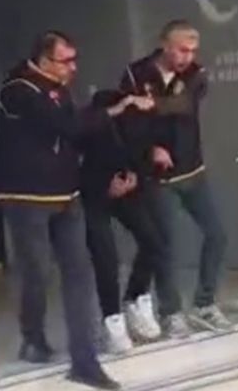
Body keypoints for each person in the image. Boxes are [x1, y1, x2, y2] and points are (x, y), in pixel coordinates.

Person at [0, 31, 151, 390]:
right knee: (36, 271)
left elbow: (76, 134)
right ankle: (33, 336)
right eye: (66, 61)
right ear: (43, 60)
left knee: (80, 273)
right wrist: (116, 109)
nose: (73, 68)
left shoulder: (59, 88)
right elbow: (65, 125)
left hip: (66, 192)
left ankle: (84, 360)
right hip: (26, 195)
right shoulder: (18, 90)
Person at [120, 20, 230, 334]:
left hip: (192, 169)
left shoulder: (196, 73)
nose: (188, 57)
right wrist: (150, 148)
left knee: (217, 235)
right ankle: (170, 313)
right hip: (158, 178)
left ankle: (205, 303)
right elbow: (128, 121)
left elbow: (184, 104)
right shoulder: (136, 74)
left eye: (193, 50)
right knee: (165, 244)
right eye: (182, 50)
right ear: (165, 45)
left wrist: (149, 104)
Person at [79, 90, 174, 354]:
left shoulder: (138, 121)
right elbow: (77, 166)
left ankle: (135, 297)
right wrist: (104, 186)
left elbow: (139, 154)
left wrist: (134, 176)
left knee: (154, 241)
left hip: (125, 189)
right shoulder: (89, 125)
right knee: (106, 258)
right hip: (93, 194)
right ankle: (112, 320)